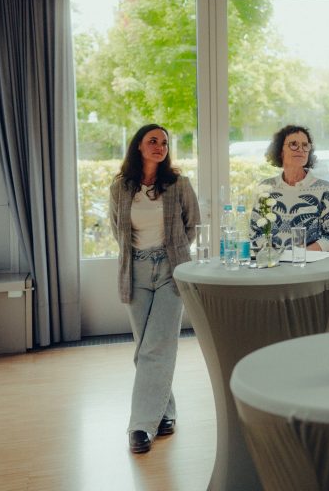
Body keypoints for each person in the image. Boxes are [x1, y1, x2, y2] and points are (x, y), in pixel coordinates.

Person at [109, 123, 200, 454]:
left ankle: (140, 427)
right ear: (139, 147)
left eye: (164, 142)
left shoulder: (179, 184)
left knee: (157, 346)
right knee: (146, 348)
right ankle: (166, 411)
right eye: (153, 141)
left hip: (170, 270)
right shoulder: (121, 187)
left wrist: (172, 252)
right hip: (135, 271)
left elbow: (191, 225)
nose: (160, 146)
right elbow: (116, 227)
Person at [252, 124, 329, 252]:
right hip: (273, 266)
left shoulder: (324, 189)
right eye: (293, 144)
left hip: (311, 267)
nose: (300, 149)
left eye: (305, 145)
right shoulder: (265, 188)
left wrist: (299, 255)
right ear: (280, 151)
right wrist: (276, 257)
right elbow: (255, 233)